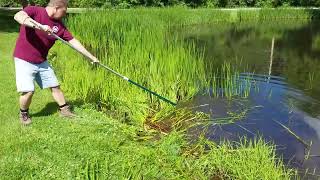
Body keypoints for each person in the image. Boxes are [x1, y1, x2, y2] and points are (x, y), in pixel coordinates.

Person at [13, 0, 99, 125]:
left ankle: (64, 110)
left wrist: (91, 57)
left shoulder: (59, 26)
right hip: (24, 59)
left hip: (41, 61)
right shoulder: (35, 10)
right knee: (28, 91)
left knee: (55, 86)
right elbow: (19, 16)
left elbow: (73, 42)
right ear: (57, 8)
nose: (65, 14)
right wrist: (39, 26)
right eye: (64, 11)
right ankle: (23, 113)